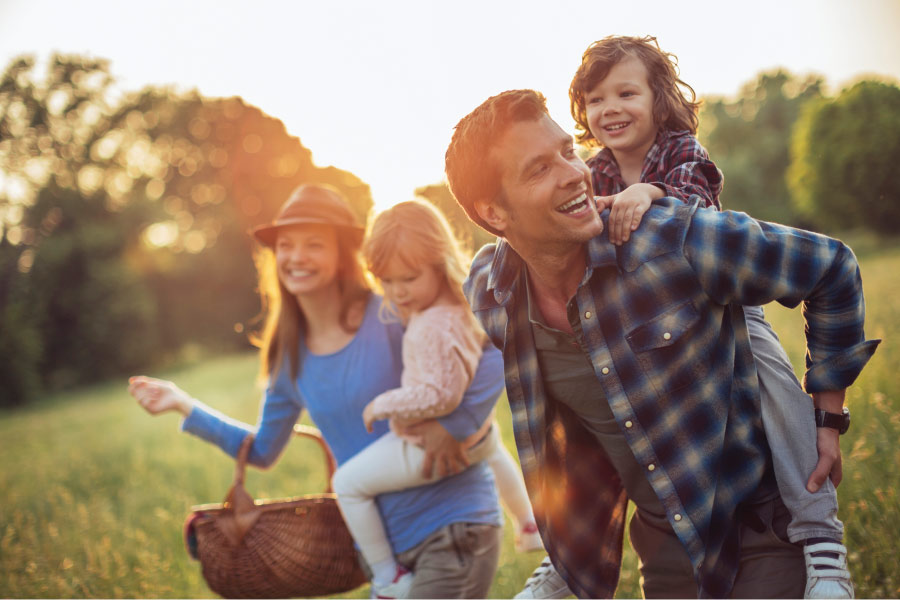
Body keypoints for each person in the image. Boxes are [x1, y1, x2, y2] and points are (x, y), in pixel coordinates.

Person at [443, 90, 879, 598]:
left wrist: (828, 418)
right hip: (664, 555)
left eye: (567, 151)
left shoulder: (667, 241)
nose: (573, 173)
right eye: (539, 169)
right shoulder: (492, 294)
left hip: (757, 534)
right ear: (494, 213)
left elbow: (830, 267)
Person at [128, 184, 505, 599]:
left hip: (451, 524)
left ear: (343, 254)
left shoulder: (390, 310)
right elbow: (263, 451)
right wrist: (185, 407)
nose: (296, 256)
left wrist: (456, 423)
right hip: (384, 555)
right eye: (286, 245)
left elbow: (491, 352)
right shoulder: (288, 359)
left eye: (313, 244)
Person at [330, 199, 541, 597]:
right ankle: (528, 522)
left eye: (407, 278)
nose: (396, 292)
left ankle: (385, 576)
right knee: (492, 444)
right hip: (476, 441)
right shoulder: (461, 306)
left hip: (426, 445)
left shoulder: (431, 324)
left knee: (348, 484)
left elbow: (440, 396)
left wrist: (383, 405)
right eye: (386, 280)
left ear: (439, 262)